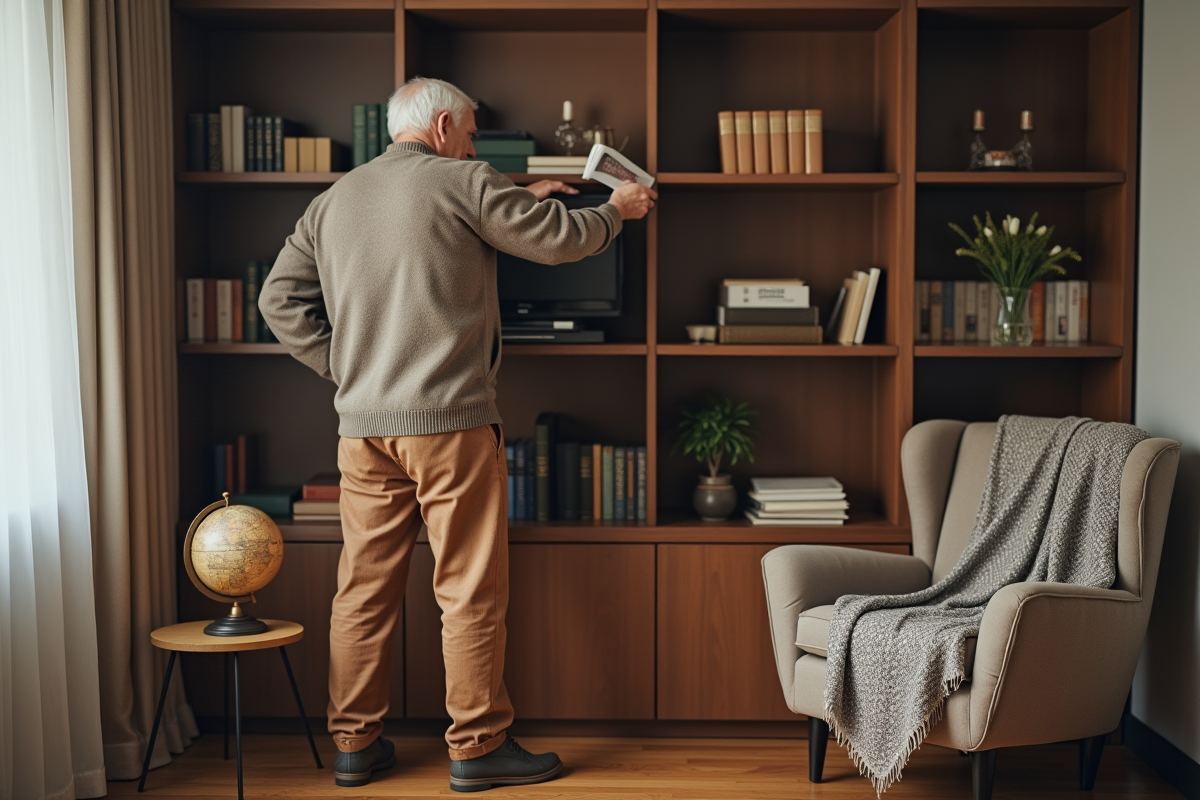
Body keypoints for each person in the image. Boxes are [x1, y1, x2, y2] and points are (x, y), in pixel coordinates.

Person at [258, 77, 656, 793]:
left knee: (362, 591)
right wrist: (617, 210)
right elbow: (559, 242)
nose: (474, 146)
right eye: (470, 133)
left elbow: (277, 299)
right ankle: (476, 748)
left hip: (363, 432)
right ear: (442, 126)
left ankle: (353, 744)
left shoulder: (336, 199)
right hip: (450, 424)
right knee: (469, 591)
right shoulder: (462, 179)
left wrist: (346, 371)